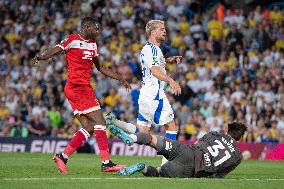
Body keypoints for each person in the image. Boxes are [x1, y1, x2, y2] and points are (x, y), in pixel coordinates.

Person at [31, 17, 131, 174]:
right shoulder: (72, 39)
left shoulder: (93, 44)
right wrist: (40, 56)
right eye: (95, 28)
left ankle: (62, 157)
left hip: (81, 88)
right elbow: (55, 50)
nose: (98, 31)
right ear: (86, 27)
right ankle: (106, 163)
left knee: (90, 127)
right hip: (77, 88)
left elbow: (101, 67)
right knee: (100, 122)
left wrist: (120, 78)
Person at [106, 19, 182, 165]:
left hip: (145, 94)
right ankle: (166, 166)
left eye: (164, 28)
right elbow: (154, 70)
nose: (164, 31)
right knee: (171, 127)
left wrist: (170, 60)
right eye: (161, 29)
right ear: (153, 32)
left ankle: (115, 123)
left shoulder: (150, 49)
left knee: (143, 134)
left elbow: (156, 63)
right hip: (154, 93)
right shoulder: (152, 49)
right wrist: (171, 80)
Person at [108, 122, 247, 178]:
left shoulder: (215, 134)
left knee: (151, 139)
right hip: (191, 170)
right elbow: (219, 176)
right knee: (158, 172)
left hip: (185, 151)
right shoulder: (237, 157)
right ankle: (142, 168)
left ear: (227, 130)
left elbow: (197, 143)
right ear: (240, 137)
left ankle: (131, 139)